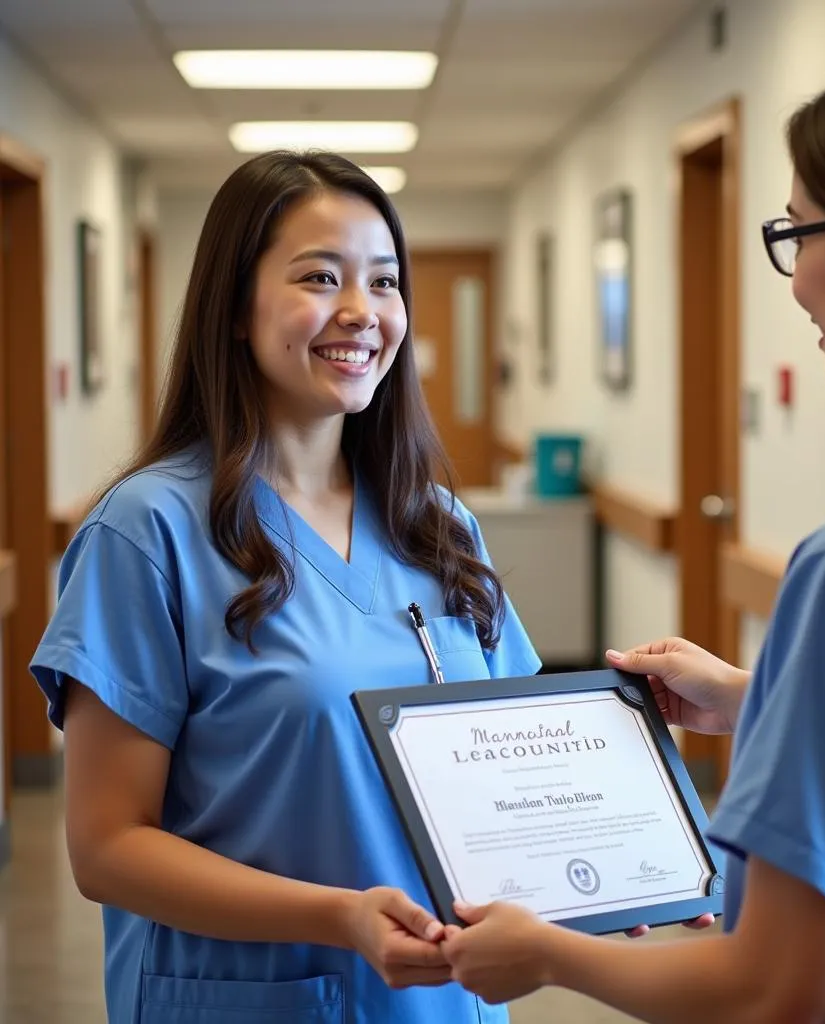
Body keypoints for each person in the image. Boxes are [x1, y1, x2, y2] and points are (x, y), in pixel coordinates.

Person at [439, 42, 825, 1023]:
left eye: (796, 237)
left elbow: (772, 989)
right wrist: (769, 700)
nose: (793, 283)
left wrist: (543, 953)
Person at [29, 151, 542, 1024]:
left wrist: (613, 873)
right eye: (320, 277)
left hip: (445, 1005)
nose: (361, 312)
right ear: (234, 307)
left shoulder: (437, 523)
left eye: (384, 282)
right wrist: (338, 917)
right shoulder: (146, 532)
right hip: (252, 1000)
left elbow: (508, 768)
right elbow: (108, 849)